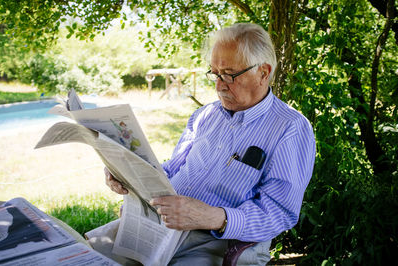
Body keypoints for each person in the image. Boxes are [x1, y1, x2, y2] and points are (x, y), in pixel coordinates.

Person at [105, 23, 316, 265]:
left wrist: (214, 218)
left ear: (263, 72)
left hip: (216, 242)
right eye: (215, 73)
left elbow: (279, 213)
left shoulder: (290, 128)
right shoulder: (205, 115)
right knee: (82, 253)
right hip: (158, 226)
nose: (218, 85)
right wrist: (128, 173)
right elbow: (173, 169)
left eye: (229, 75)